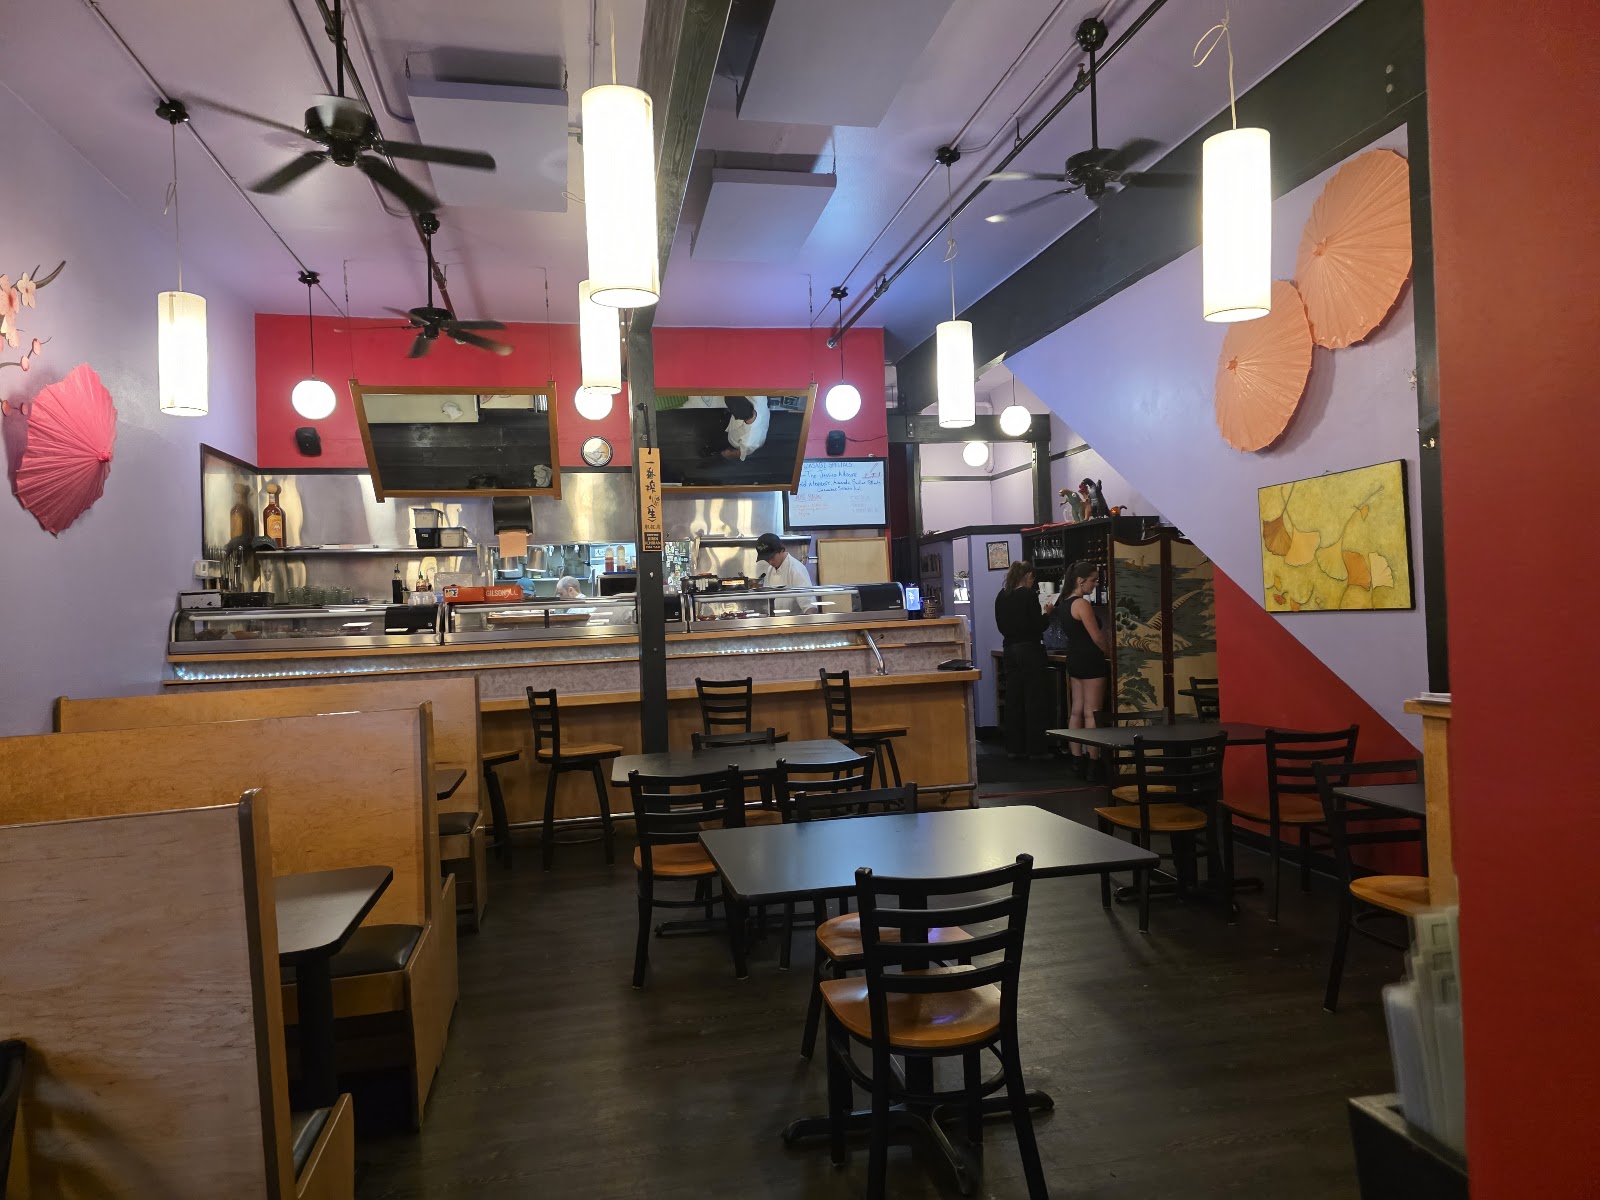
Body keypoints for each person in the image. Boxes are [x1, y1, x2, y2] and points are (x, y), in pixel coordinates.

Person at [994, 560, 1056, 759]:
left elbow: (1000, 625)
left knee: (1014, 699)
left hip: (1009, 649)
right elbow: (1037, 625)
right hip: (1029, 649)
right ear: (1029, 576)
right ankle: (1037, 749)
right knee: (1034, 699)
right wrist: (1047, 614)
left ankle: (1014, 747)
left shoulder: (1002, 596)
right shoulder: (1028, 595)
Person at [1061, 558, 1112, 775]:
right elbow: (1096, 637)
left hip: (1074, 659)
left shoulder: (1064, 603)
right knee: (1092, 713)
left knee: (1076, 711)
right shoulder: (1082, 604)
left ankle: (1076, 760)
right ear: (1080, 581)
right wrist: (1110, 653)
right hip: (1091, 660)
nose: (1096, 584)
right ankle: (1093, 763)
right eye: (1093, 580)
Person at [753, 532, 816, 614]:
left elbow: (809, 606)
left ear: (782, 550)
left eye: (772, 557)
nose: (770, 562)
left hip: (793, 621)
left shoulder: (796, 569)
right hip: (775, 620)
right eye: (767, 559)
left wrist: (810, 620)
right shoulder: (770, 569)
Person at [721, 395, 769, 460]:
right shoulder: (759, 399)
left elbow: (743, 453)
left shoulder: (749, 442)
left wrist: (732, 454)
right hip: (752, 422)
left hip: (739, 444)